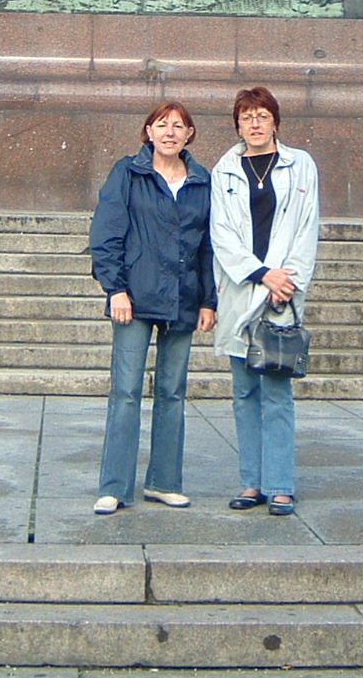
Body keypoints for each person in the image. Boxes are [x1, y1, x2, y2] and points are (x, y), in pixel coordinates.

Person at [89, 101, 214, 514]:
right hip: (135, 296)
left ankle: (164, 481)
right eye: (162, 125)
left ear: (189, 134)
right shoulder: (128, 173)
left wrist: (208, 300)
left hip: (183, 296)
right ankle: (114, 486)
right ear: (148, 132)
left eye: (178, 126)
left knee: (172, 392)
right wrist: (115, 289)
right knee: (126, 392)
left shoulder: (202, 181)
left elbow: (208, 246)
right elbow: (106, 233)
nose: (170, 132)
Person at [210, 85, 319, 516]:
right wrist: (259, 273)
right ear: (237, 125)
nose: (254, 124)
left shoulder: (300, 165)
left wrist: (284, 278)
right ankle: (251, 482)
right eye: (246, 117)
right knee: (244, 393)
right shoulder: (224, 170)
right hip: (242, 289)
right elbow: (221, 233)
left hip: (281, 294)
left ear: (275, 121)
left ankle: (280, 484)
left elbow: (307, 227)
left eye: (262, 116)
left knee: (276, 391)